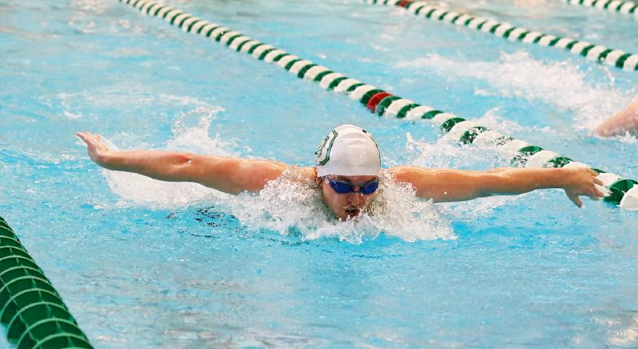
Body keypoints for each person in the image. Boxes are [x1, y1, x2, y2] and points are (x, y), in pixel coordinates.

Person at [77, 124, 604, 221]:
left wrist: (563, 176)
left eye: (368, 186)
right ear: (318, 177)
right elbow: (190, 166)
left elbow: (494, 179)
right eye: (344, 186)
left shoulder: (404, 188)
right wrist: (111, 159)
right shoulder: (276, 184)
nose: (358, 199)